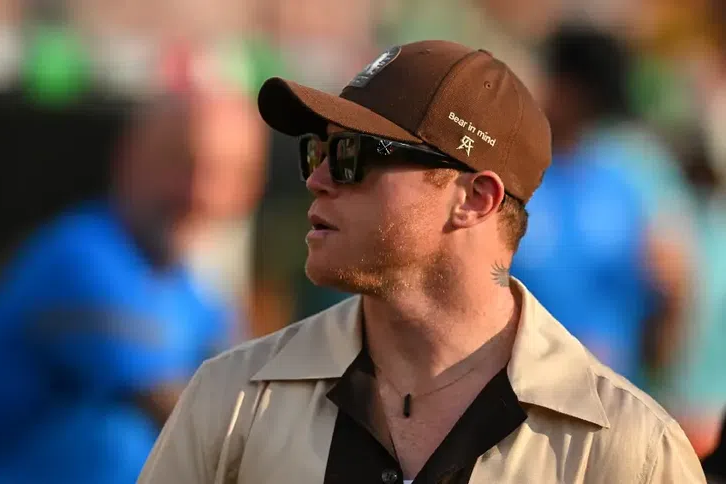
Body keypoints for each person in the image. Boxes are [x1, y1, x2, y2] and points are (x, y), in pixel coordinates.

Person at [137, 40, 705, 483]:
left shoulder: (630, 451)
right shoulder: (232, 401)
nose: (317, 178)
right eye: (316, 150)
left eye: (351, 154)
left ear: (474, 198)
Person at [0, 87, 266, 484]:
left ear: (250, 190)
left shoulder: (200, 300)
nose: (198, 191)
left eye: (224, 172)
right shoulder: (80, 258)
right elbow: (188, 417)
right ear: (127, 158)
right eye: (179, 162)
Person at [511, 24, 695, 390]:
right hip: (518, 388)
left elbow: (669, 289)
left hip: (609, 393)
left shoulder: (628, 177)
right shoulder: (510, 175)